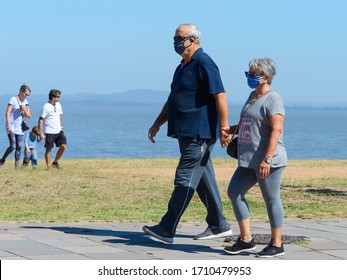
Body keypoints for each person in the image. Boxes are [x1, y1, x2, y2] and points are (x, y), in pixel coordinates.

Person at [142, 23, 232, 244]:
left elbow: (220, 95)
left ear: (192, 40)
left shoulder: (204, 62)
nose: (175, 41)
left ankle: (167, 228)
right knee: (202, 179)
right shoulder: (182, 65)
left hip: (199, 133)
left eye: (179, 37)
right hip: (184, 132)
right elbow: (173, 99)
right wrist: (157, 123)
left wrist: (224, 128)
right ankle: (219, 225)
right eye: (175, 37)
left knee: (184, 177)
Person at [223, 58, 287, 257]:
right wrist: (229, 130)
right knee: (234, 192)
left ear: (266, 77)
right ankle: (246, 240)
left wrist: (267, 159)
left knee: (271, 199)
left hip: (268, 161)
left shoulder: (273, 99)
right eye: (248, 74)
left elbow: (276, 130)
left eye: (253, 74)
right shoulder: (252, 95)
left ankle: (277, 244)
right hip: (247, 159)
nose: (249, 77)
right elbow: (247, 124)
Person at [0, 84, 31, 168]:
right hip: (11, 127)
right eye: (25, 94)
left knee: (19, 147)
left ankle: (16, 166)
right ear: (21, 91)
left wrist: (24, 109)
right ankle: (2, 159)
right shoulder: (13, 99)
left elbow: (29, 115)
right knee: (12, 146)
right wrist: (9, 126)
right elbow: (7, 113)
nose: (26, 96)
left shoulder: (25, 102)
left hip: (20, 128)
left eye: (28, 95)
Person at [38, 89, 67, 169]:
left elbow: (59, 116)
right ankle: (48, 167)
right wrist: (40, 132)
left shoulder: (58, 105)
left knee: (63, 146)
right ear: (53, 97)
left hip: (59, 131)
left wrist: (61, 127)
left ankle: (55, 162)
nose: (59, 98)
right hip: (49, 131)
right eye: (58, 97)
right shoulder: (46, 106)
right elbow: (41, 119)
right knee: (48, 149)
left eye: (59, 97)